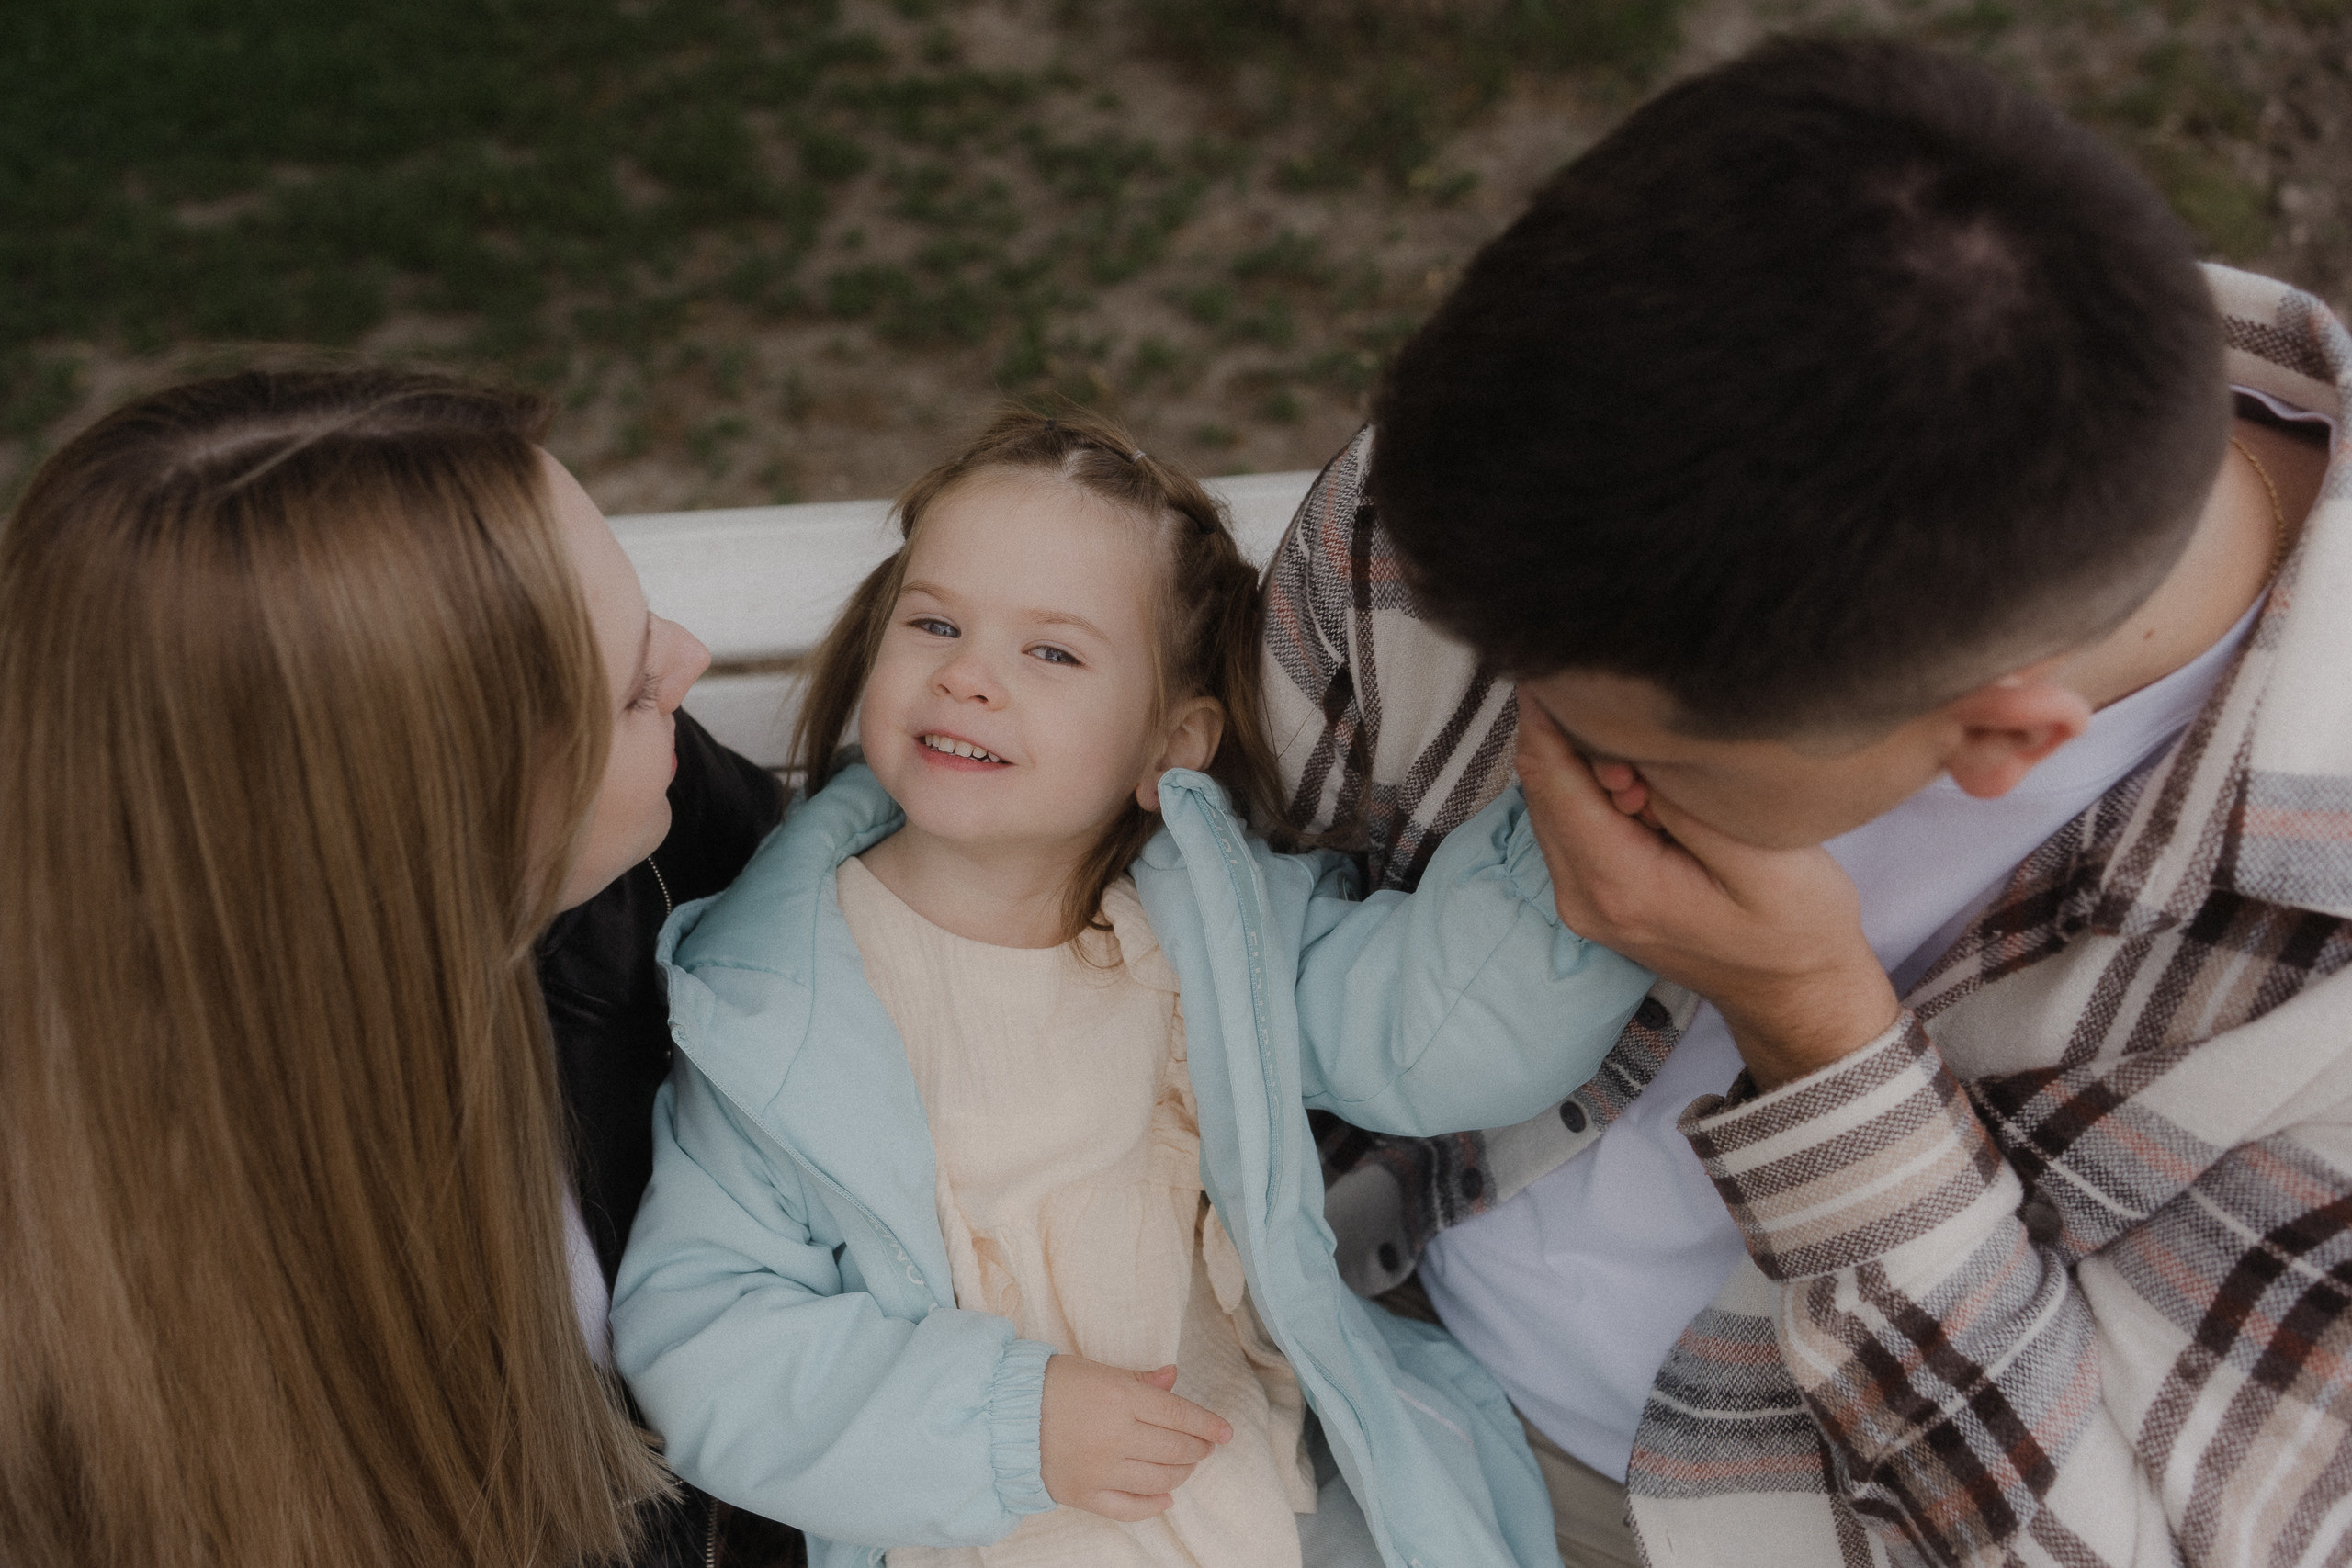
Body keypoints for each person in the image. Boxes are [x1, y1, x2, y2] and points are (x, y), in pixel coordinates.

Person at [1267, 35, 2351, 1568]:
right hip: (1323, 1349)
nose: (1544, 758)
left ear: (2002, 737)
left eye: (1607, 750)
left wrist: (1818, 1029)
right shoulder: (1514, 498)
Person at [608, 407, 1656, 1568]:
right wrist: (1009, 1424)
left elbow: (1436, 1033)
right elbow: (706, 1333)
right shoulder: (773, 1001)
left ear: (1172, 743)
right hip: (982, 1525)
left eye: (1050, 652)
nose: (968, 675)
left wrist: (1565, 824)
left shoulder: (1212, 934)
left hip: (1258, 1501)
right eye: (936, 622)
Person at [0, 367, 786, 1568]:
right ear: (439, 825)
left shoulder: (652, 839)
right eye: (632, 688)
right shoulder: (136, 1328)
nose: (687, 659)